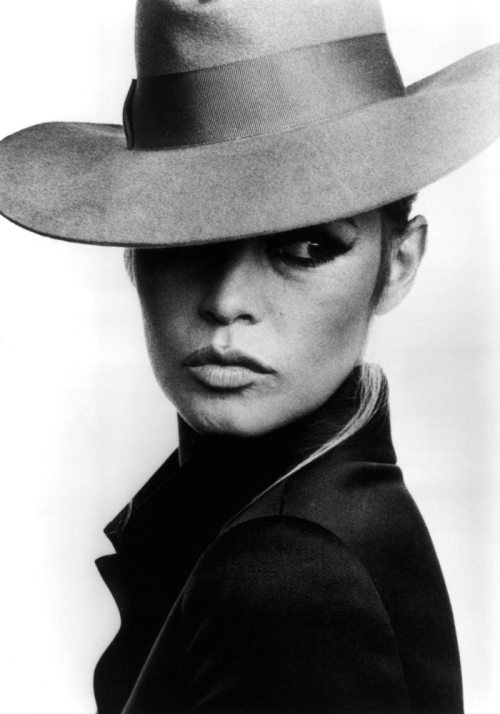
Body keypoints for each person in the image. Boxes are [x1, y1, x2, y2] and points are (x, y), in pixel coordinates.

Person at [0, 1, 499, 712]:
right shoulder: (308, 522)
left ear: (399, 263)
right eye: (185, 239)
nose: (227, 301)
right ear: (132, 253)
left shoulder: (287, 574)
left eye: (307, 246)